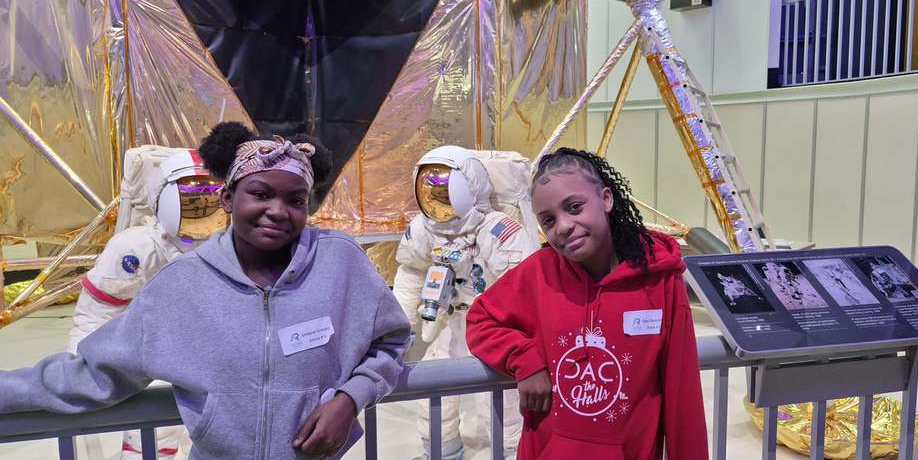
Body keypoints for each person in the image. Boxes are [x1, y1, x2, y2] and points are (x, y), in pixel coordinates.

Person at [0, 122, 411, 460]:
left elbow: (391, 341)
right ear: (228, 198)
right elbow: (93, 373)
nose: (278, 211)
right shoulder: (181, 285)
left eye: (296, 200)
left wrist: (350, 398)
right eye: (261, 194)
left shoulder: (340, 264)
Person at [466, 148, 709, 460]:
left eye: (575, 207)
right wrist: (526, 360)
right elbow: (480, 319)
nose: (564, 226)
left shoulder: (660, 282)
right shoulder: (538, 273)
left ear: (606, 200)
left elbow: (682, 394)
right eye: (548, 220)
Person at [67, 147, 225, 459]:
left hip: (211, 354)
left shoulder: (230, 247)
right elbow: (94, 316)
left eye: (211, 201)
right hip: (148, 353)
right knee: (153, 427)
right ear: (163, 199)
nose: (203, 211)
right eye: (193, 202)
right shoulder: (137, 249)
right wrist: (80, 366)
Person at [394, 145, 538, 459]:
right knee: (434, 390)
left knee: (500, 397)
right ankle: (442, 449)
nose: (435, 201)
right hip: (449, 320)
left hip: (492, 326)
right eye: (429, 191)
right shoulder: (423, 230)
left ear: (468, 187)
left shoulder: (498, 229)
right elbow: (411, 274)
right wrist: (397, 327)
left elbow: (522, 284)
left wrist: (517, 331)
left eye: (445, 193)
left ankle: (510, 450)